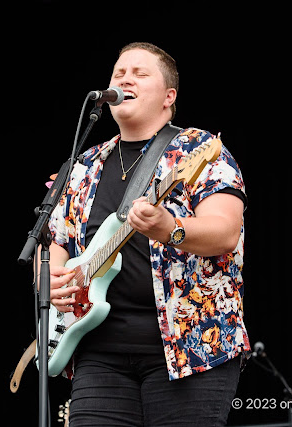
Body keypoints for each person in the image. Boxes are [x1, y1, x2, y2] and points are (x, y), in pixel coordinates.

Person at [46, 42, 250, 426]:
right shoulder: (86, 164)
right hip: (98, 354)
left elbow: (225, 232)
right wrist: (52, 281)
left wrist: (169, 229)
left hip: (190, 350)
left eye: (140, 74)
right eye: (119, 74)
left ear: (169, 97)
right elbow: (57, 238)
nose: (125, 79)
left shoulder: (200, 149)